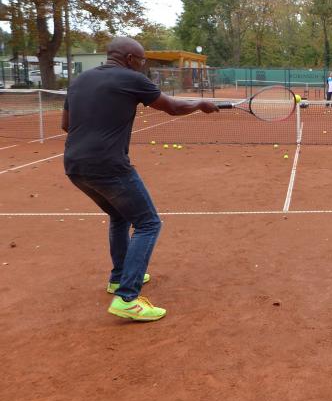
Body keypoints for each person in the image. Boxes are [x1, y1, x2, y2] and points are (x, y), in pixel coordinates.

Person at [62, 36, 219, 322]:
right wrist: (200, 103)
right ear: (130, 59)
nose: (143, 65)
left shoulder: (79, 80)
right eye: (142, 60)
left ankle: (118, 278)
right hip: (109, 165)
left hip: (74, 165)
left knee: (120, 216)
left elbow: (66, 125)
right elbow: (173, 107)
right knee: (148, 223)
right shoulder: (131, 78)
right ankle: (127, 298)